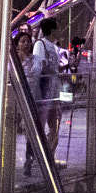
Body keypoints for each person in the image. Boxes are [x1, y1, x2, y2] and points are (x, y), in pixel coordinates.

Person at [24, 18, 65, 174]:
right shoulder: (40, 45)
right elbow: (36, 69)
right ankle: (32, 159)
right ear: (53, 30)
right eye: (58, 27)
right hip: (43, 94)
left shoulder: (54, 46)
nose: (60, 30)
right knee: (39, 127)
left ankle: (48, 158)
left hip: (54, 92)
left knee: (55, 126)